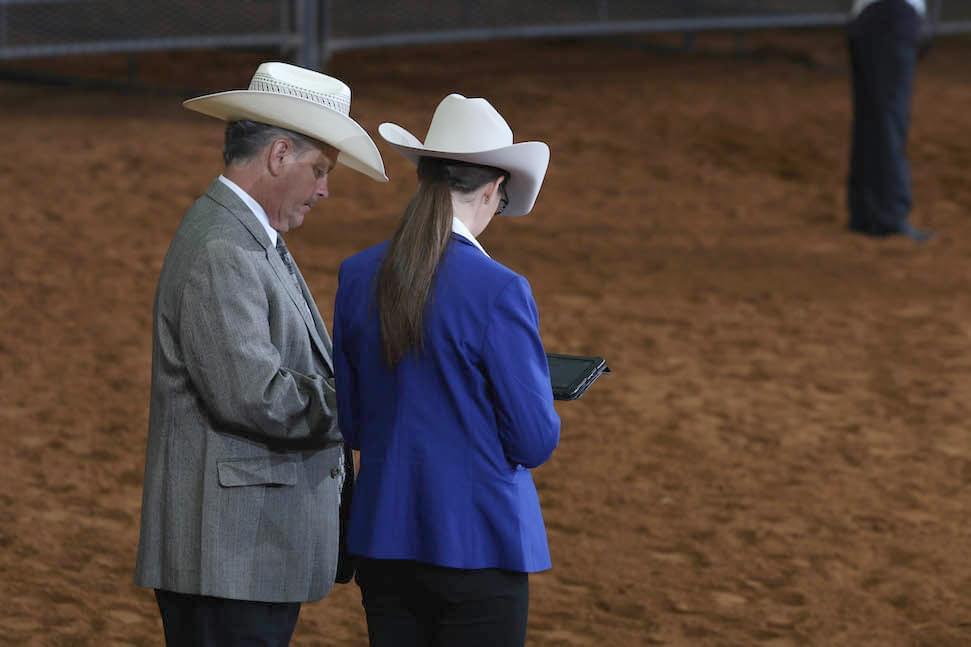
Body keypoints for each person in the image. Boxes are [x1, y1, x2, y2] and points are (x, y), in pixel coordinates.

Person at [134, 62, 388, 646]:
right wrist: (373, 398)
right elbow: (257, 397)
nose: (324, 188)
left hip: (238, 554)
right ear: (278, 156)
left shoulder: (246, 237)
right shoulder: (226, 248)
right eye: (319, 169)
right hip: (228, 558)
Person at [332, 93, 560, 647]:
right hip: (479, 539)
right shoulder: (500, 289)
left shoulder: (359, 274)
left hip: (384, 537)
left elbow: (354, 422)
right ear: (491, 189)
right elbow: (533, 439)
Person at [847, 0, 933, 241]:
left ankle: (866, 213)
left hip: (871, 15)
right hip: (892, 16)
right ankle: (889, 215)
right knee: (888, 119)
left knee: (873, 120)